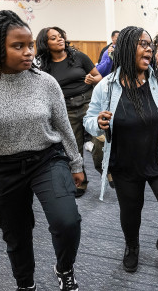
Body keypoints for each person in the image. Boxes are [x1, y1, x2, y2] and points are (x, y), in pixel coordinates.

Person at [0, 10, 82, 291]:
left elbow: (63, 125)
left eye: (30, 45)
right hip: (3, 166)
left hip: (46, 159)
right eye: (18, 46)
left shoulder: (45, 82)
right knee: (17, 235)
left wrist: (76, 162)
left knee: (67, 221)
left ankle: (64, 268)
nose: (28, 53)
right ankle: (25, 284)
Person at [83, 26, 158, 273]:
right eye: (142, 44)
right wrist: (99, 123)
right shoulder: (106, 86)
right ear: (126, 49)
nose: (149, 48)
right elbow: (89, 120)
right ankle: (132, 246)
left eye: (150, 44)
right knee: (131, 211)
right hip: (125, 162)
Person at [36, 26, 102, 197]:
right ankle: (81, 182)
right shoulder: (42, 65)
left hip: (88, 103)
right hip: (64, 108)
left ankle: (104, 169)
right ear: (45, 43)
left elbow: (99, 77)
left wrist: (92, 79)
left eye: (60, 36)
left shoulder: (78, 56)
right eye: (53, 38)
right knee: (73, 146)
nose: (60, 39)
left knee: (100, 141)